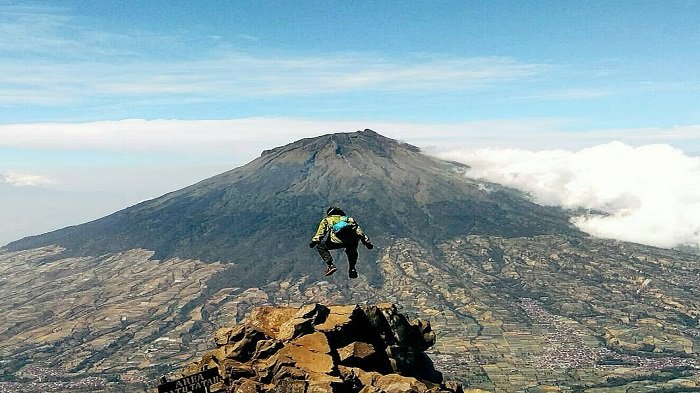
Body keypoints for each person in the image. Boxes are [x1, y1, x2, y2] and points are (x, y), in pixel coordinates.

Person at [309, 206, 373, 278]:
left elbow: (321, 232)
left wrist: (315, 241)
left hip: (337, 241)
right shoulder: (349, 219)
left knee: (321, 246)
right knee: (352, 252)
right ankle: (352, 268)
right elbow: (359, 231)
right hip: (352, 241)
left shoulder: (327, 220)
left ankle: (331, 265)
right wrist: (367, 242)